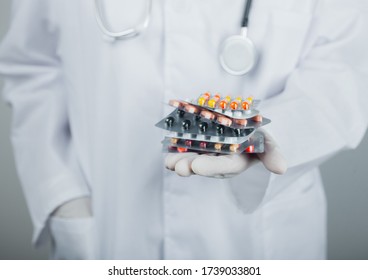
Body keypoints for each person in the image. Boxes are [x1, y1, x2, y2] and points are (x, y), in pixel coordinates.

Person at [0, 0, 367, 260]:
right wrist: (62, 197)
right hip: (110, 225)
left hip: (260, 240)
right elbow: (32, 65)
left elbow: (347, 67)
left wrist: (274, 132)